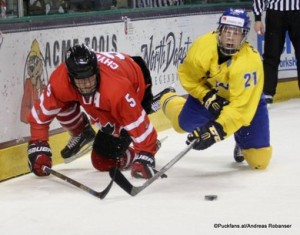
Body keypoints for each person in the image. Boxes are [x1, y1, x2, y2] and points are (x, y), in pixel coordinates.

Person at [27, 44, 172, 179]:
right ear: (70, 78)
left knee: (102, 159)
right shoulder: (61, 81)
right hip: (116, 79)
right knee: (62, 103)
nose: (87, 84)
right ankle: (82, 131)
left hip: (135, 81)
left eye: (90, 77)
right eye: (81, 80)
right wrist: (38, 145)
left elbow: (136, 122)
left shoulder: (116, 89)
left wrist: (146, 153)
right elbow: (40, 115)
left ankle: (153, 103)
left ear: (96, 71)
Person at [160, 8, 272, 169]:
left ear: (244, 36)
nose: (230, 37)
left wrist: (215, 131)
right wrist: (206, 96)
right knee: (180, 125)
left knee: (259, 160)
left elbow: (240, 108)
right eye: (227, 30)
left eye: (237, 32)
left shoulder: (250, 62)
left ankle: (241, 139)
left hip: (244, 104)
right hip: (209, 95)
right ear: (220, 30)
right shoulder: (203, 46)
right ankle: (168, 98)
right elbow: (189, 77)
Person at [253, 0, 300, 104]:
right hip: (275, 13)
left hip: (298, 12)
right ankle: (267, 93)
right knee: (271, 54)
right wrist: (257, 18)